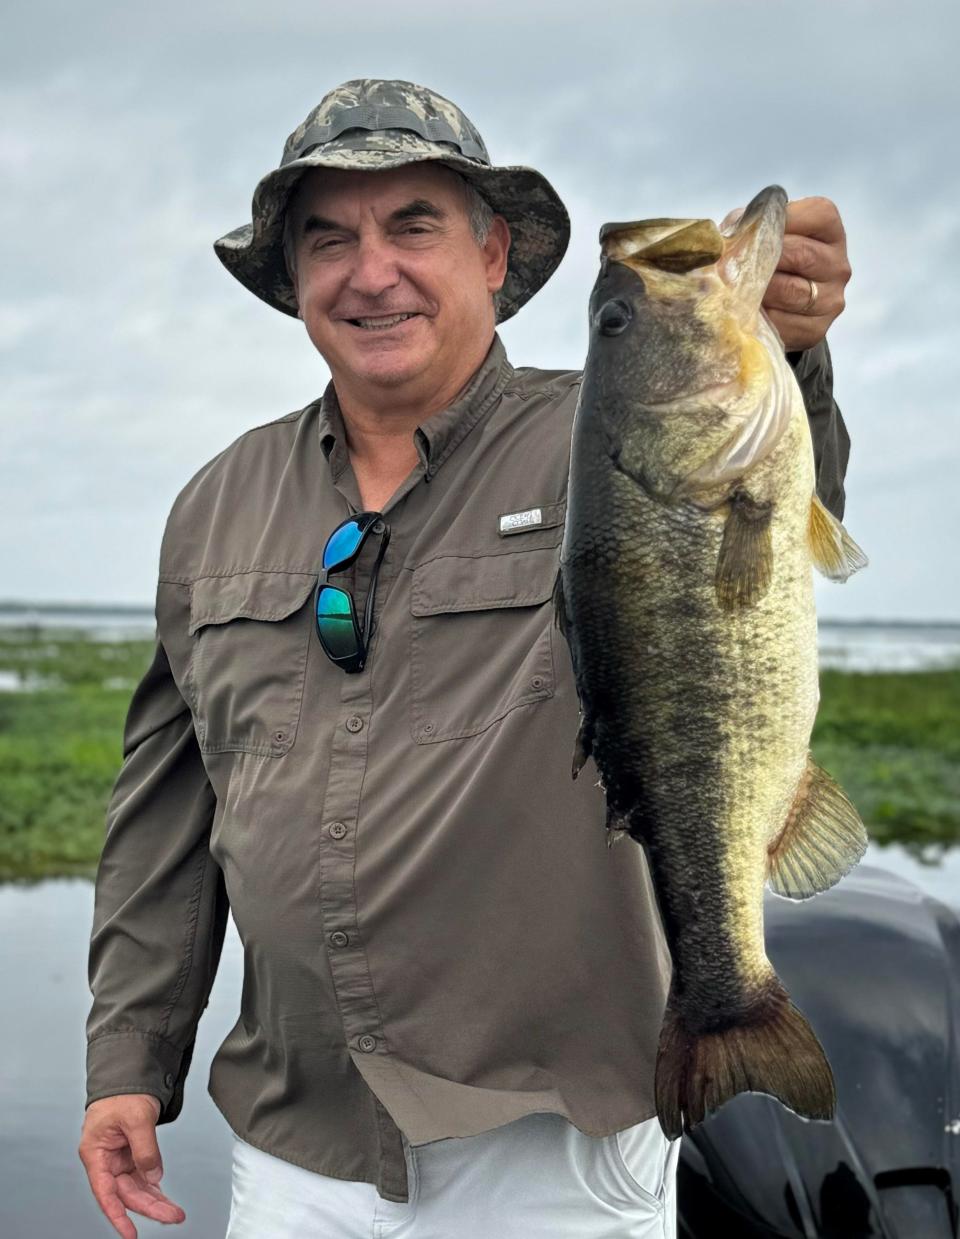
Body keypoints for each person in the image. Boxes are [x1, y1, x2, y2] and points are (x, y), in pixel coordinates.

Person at [78, 78, 853, 1239]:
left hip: (555, 1153)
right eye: (327, 238)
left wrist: (791, 356)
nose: (370, 269)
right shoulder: (216, 503)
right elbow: (168, 818)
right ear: (291, 278)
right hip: (296, 1153)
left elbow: (751, 512)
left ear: (495, 255)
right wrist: (129, 1058)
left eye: (414, 224)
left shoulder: (605, 433)